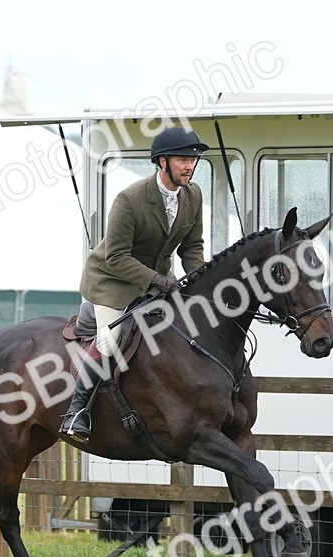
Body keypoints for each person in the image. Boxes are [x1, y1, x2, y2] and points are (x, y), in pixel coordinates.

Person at [59, 126, 209, 441]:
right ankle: (76, 412)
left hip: (157, 280)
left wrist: (201, 281)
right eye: (183, 160)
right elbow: (115, 257)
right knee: (111, 339)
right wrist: (157, 280)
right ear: (163, 162)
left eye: (193, 160)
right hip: (112, 281)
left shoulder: (193, 195)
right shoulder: (130, 199)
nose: (190, 166)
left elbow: (192, 248)